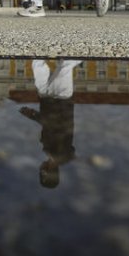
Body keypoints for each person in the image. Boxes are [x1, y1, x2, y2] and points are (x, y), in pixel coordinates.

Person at [20, 59, 81, 188]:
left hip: (46, 98)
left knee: (38, 64)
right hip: (61, 98)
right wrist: (32, 115)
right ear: (46, 172)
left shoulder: (49, 151)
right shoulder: (61, 153)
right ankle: (89, 46)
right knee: (66, 66)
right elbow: (53, 124)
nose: (40, 169)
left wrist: (34, 115)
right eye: (42, 173)